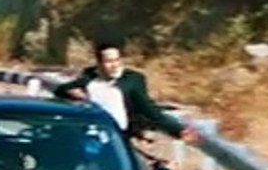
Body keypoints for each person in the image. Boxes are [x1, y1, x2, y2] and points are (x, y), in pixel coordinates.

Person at [52, 39, 201, 149]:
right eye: (108, 61)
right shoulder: (89, 78)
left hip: (120, 136)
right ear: (99, 63)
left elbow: (149, 109)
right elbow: (62, 90)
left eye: (117, 60)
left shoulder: (132, 80)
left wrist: (177, 129)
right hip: (90, 134)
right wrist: (79, 97)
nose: (114, 65)